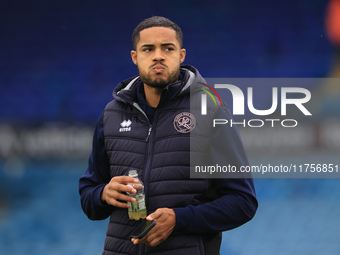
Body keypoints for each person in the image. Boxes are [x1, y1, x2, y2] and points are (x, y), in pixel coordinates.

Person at [79, 16, 258, 255]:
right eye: (148, 49)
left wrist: (179, 219)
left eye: (167, 48)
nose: (158, 56)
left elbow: (243, 203)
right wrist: (103, 194)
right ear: (135, 57)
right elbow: (89, 197)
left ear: (181, 55)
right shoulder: (111, 114)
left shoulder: (211, 110)